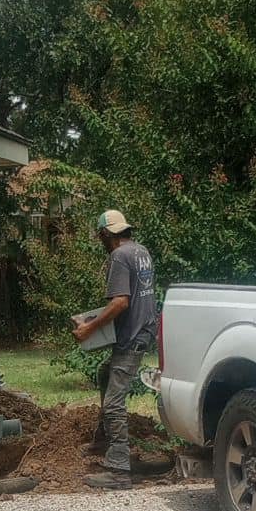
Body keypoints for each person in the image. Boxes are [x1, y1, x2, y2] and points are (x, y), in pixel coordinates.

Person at [72, 209, 157, 491]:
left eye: (101, 237)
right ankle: (103, 440)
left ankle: (119, 470)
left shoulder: (119, 256)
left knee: (113, 403)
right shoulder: (141, 251)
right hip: (142, 330)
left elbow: (121, 302)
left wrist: (90, 327)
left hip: (132, 337)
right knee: (104, 373)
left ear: (105, 235)